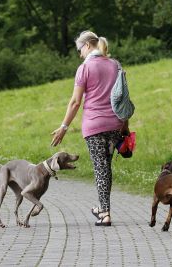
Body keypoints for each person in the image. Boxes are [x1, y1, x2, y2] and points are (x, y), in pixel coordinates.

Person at [51, 31, 129, 227]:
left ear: (86, 45)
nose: (79, 54)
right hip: (114, 125)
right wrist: (125, 126)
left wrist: (63, 127)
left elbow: (76, 102)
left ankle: (105, 213)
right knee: (105, 168)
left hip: (94, 127)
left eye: (79, 50)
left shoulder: (84, 68)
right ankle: (103, 208)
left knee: (100, 168)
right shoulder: (115, 65)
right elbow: (123, 99)